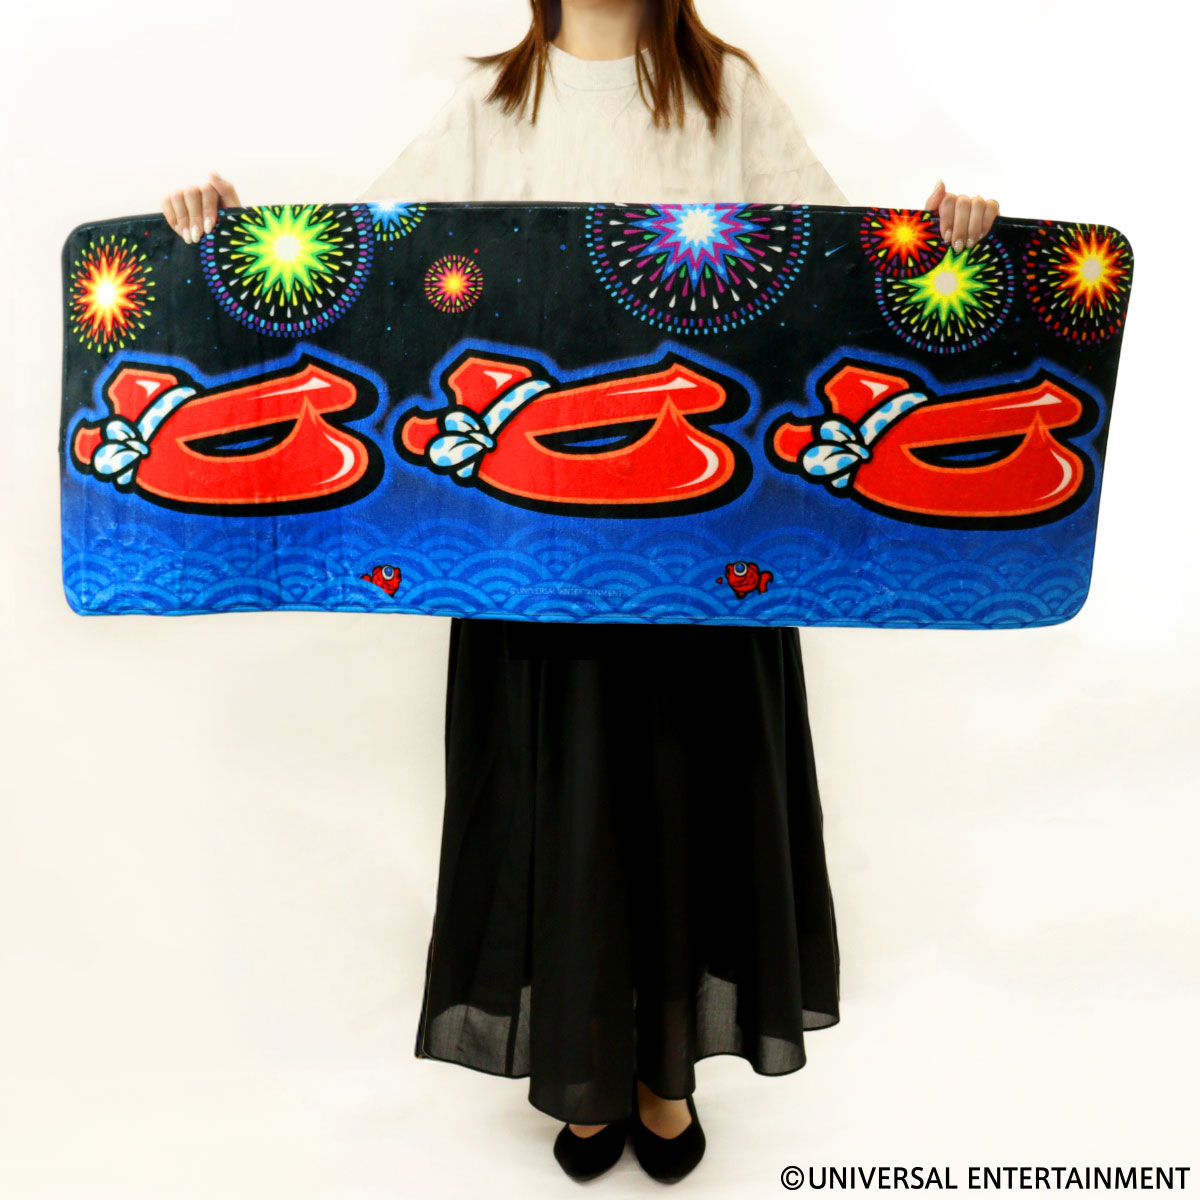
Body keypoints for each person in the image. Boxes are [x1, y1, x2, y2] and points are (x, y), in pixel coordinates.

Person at [162, 0, 999, 1183]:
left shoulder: (729, 98)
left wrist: (948, 243)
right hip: (527, 564)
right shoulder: (488, 108)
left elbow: (840, 281)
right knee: (570, 820)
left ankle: (666, 1074)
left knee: (688, 807)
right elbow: (364, 288)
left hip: (709, 559)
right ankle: (590, 1068)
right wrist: (225, 238)